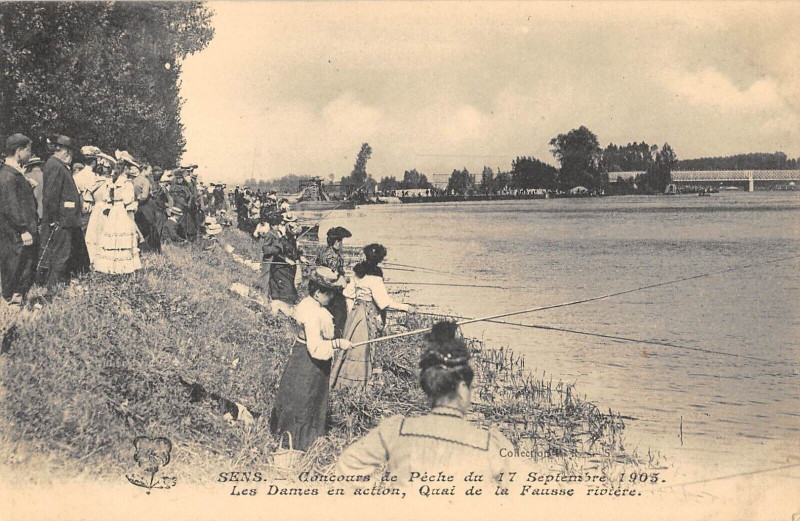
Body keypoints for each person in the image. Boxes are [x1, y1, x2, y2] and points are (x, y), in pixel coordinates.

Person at [335, 321, 513, 483]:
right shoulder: (489, 443)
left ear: (428, 387)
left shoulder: (397, 430)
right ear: (462, 388)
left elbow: (348, 465)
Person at [269, 267, 353, 451]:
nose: (332, 298)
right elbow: (315, 348)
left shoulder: (310, 304)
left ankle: (290, 434)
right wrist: (338, 344)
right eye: (329, 293)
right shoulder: (313, 314)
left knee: (303, 397)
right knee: (305, 398)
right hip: (308, 364)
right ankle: (298, 442)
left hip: (301, 358)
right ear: (317, 293)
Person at [331, 243, 414, 390]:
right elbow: (384, 303)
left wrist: (351, 313)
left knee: (350, 346)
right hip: (366, 315)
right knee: (363, 348)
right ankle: (358, 385)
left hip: (356, 313)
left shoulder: (357, 273)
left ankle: (341, 382)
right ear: (379, 260)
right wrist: (406, 308)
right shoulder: (375, 278)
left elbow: (348, 294)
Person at [39, 134, 90, 295]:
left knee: (68, 253)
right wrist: (54, 220)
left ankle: (63, 283)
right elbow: (50, 196)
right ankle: (53, 289)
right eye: (70, 153)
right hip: (61, 220)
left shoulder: (59, 166)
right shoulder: (55, 165)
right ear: (65, 151)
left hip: (67, 219)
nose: (71, 157)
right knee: (61, 255)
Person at [0, 134, 39, 307]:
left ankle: (19, 301)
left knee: (23, 267)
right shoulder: (8, 176)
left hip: (20, 233)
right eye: (28, 150)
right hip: (18, 235)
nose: (30, 154)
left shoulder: (13, 174)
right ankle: (13, 306)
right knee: (17, 267)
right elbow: (10, 207)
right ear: (19, 151)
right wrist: (23, 229)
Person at [92, 157, 141, 274]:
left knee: (113, 236)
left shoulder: (111, 182)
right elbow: (128, 201)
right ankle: (123, 268)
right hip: (123, 211)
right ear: (126, 169)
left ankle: (109, 267)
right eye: (130, 168)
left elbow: (107, 199)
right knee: (123, 236)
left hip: (114, 211)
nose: (131, 170)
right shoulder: (127, 183)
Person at [259, 212, 302, 315]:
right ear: (274, 224)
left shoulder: (279, 234)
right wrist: (275, 250)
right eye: (278, 224)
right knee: (267, 278)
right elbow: (266, 248)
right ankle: (267, 300)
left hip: (279, 261)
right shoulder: (271, 234)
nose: (279, 226)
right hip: (271, 260)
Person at [316, 226, 352, 336]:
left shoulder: (324, 252)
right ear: (336, 242)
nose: (342, 244)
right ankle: (337, 337)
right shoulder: (333, 257)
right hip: (333, 290)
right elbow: (333, 276)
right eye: (341, 241)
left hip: (324, 288)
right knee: (339, 316)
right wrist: (345, 279)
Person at [22, 155, 44, 220]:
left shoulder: (26, 177)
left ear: (30, 166)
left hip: (30, 211)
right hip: (44, 211)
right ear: (40, 165)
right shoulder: (46, 175)